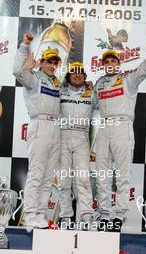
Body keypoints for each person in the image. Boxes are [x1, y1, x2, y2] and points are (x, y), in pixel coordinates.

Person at [94, 31, 146, 232]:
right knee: (101, 174)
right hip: (103, 127)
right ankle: (104, 215)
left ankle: (118, 216)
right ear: (103, 64)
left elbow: (145, 68)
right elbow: (87, 103)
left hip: (122, 126)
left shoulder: (128, 79)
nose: (109, 63)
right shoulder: (98, 84)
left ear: (118, 64)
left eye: (113, 60)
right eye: (106, 61)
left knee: (122, 174)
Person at [13, 33, 61, 229]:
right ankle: (31, 214)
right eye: (49, 62)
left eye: (55, 62)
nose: (52, 65)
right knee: (36, 173)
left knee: (48, 176)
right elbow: (17, 71)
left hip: (55, 128)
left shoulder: (56, 82)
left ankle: (40, 214)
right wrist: (25, 46)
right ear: (41, 62)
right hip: (39, 125)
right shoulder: (33, 78)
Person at [58, 62, 94, 230]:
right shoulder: (59, 91)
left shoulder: (91, 93)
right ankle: (65, 218)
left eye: (80, 73)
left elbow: (107, 107)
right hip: (62, 136)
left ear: (85, 77)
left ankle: (86, 217)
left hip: (82, 138)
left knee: (83, 179)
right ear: (68, 76)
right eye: (74, 72)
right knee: (64, 180)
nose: (77, 75)